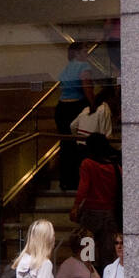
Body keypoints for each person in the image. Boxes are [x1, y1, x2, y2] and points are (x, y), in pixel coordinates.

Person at [72, 132, 120, 270]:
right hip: (110, 213)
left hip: (91, 213)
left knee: (88, 249)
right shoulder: (115, 166)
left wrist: (75, 207)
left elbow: (83, 188)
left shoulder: (88, 164)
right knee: (107, 252)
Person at [55, 43, 95, 191]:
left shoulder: (67, 67)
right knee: (80, 145)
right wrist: (93, 105)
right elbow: (87, 87)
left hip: (61, 108)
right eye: (85, 51)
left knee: (65, 145)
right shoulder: (84, 67)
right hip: (76, 107)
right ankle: (78, 180)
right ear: (77, 53)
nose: (87, 54)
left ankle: (65, 180)